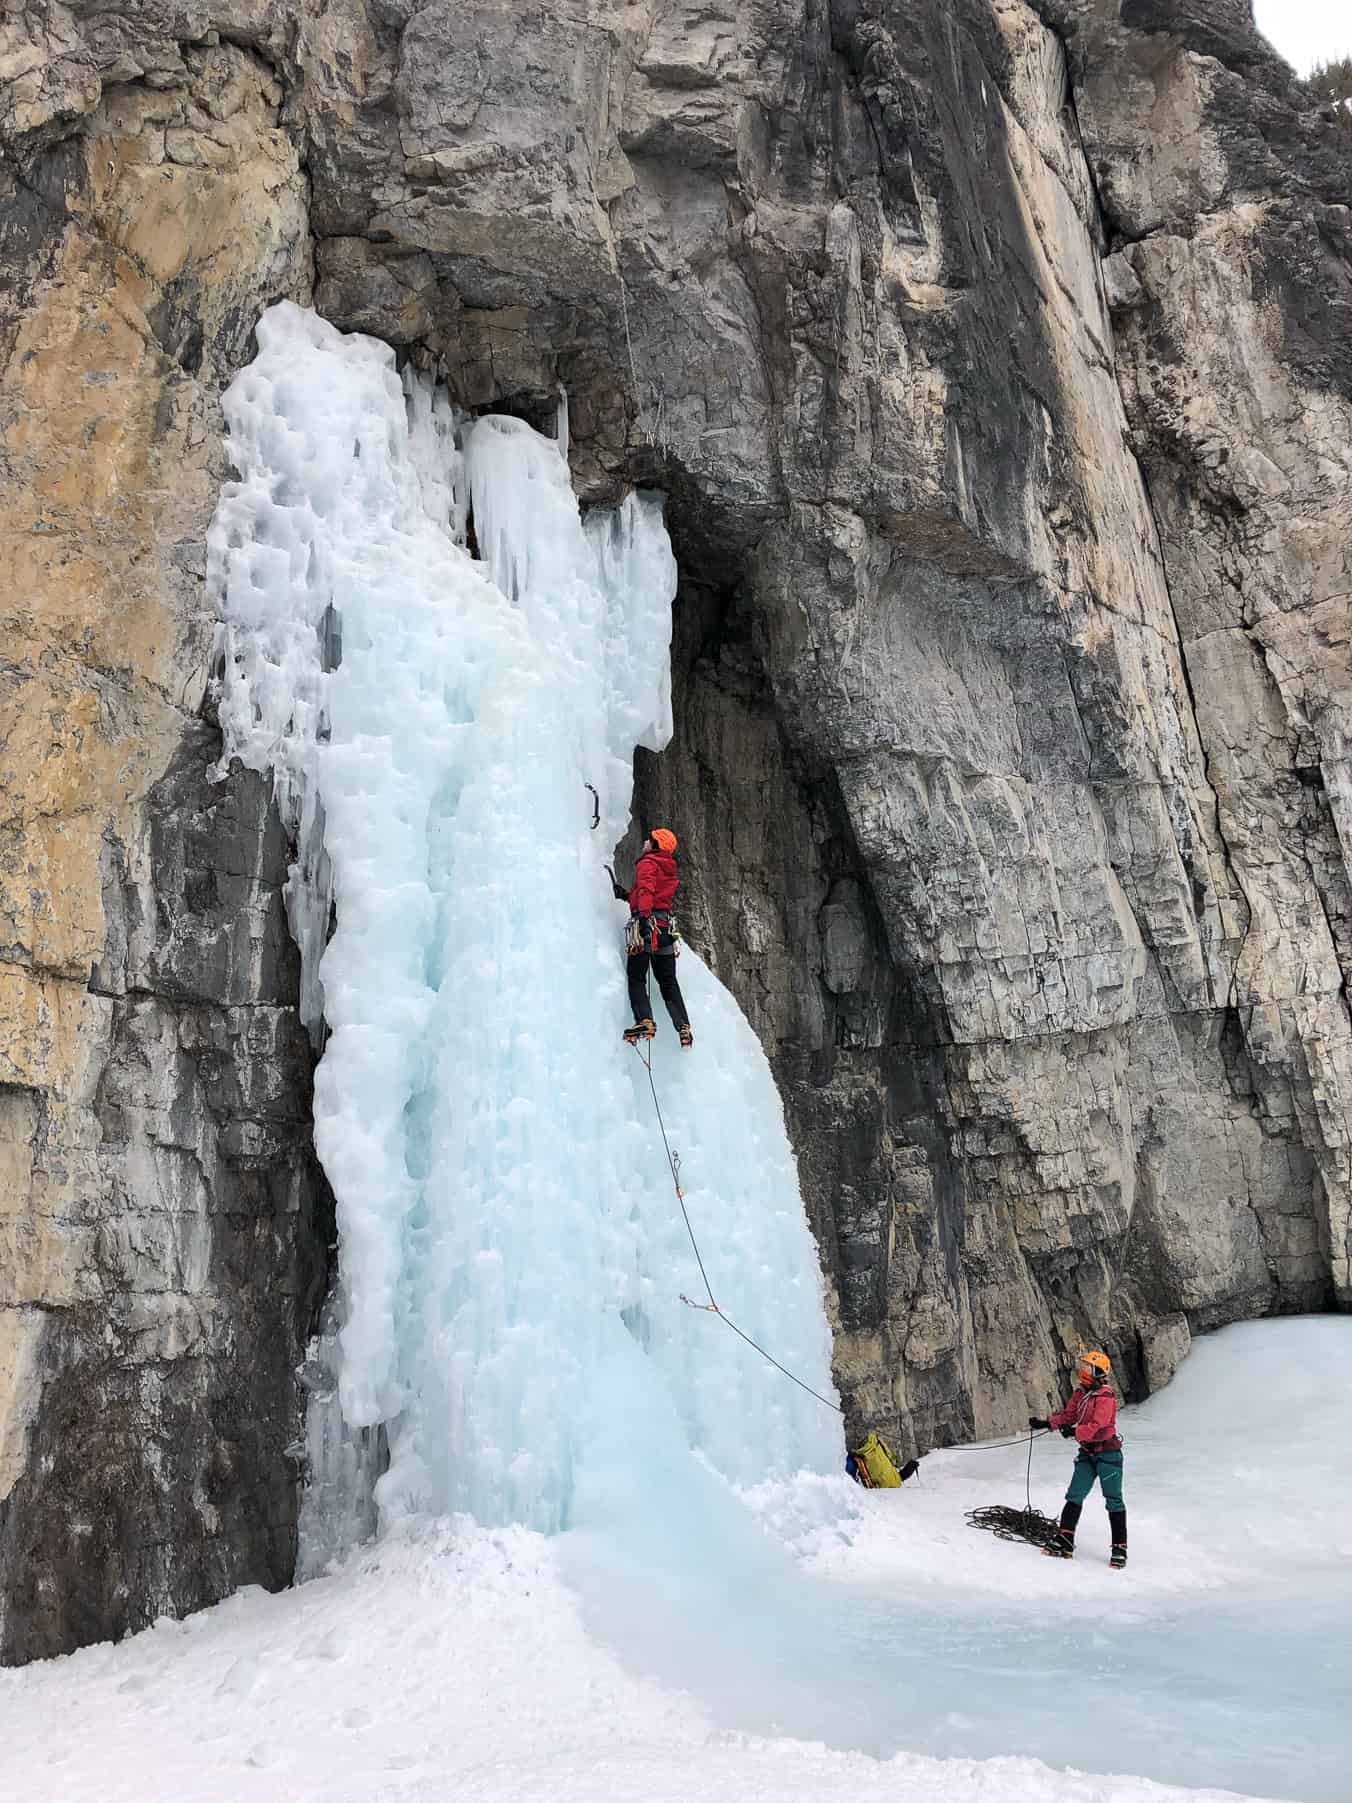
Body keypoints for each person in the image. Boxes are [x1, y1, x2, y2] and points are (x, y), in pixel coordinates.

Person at [1029, 1350, 1127, 1567]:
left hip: (1107, 1454)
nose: (1082, 1372)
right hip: (1088, 1453)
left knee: (1113, 1499)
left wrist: (1074, 1432)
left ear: (1099, 1372)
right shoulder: (1080, 1393)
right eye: (1082, 1367)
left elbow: (1098, 1425)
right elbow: (1068, 1416)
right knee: (1074, 1494)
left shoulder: (1105, 1397)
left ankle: (1119, 1548)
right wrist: (1047, 1423)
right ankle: (1065, 1539)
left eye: (1087, 1368)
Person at [613, 827, 692, 1049]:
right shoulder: (668, 868)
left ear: (656, 845)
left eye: (650, 839)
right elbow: (652, 894)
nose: (645, 842)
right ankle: (683, 1026)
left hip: (648, 926)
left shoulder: (648, 863)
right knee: (668, 981)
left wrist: (644, 919)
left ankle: (644, 1021)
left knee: (636, 976)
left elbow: (647, 890)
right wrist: (628, 896)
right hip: (665, 928)